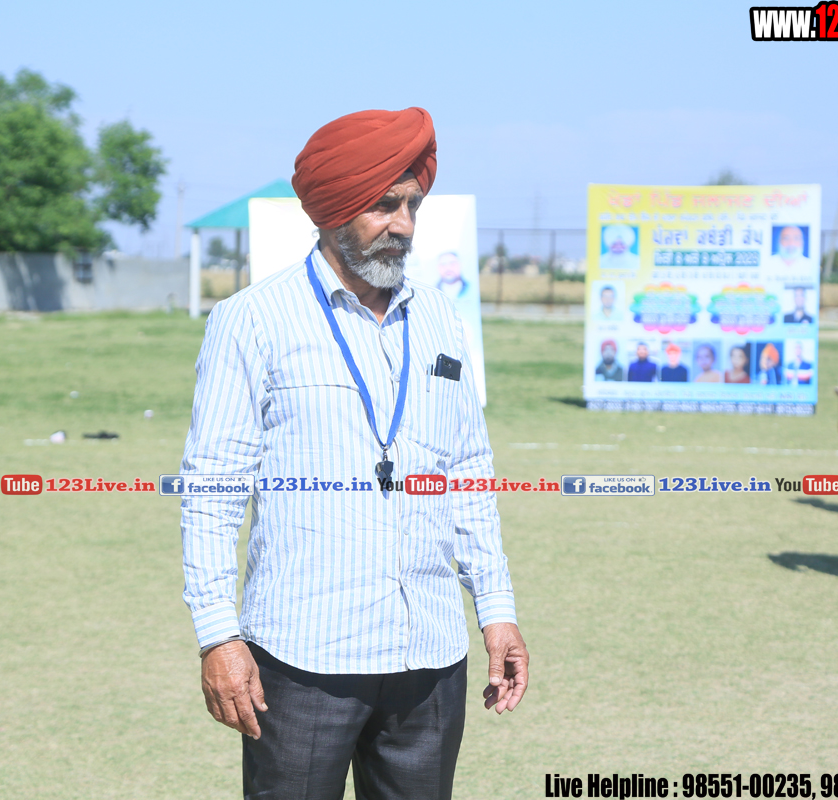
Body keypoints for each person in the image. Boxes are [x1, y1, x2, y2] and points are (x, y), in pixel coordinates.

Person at [180, 107, 529, 800]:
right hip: (304, 658)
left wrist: (496, 607)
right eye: (384, 205)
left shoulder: (440, 319)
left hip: (430, 656)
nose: (403, 224)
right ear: (333, 209)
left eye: (412, 205)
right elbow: (213, 487)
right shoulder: (252, 320)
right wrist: (218, 635)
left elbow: (466, 472)